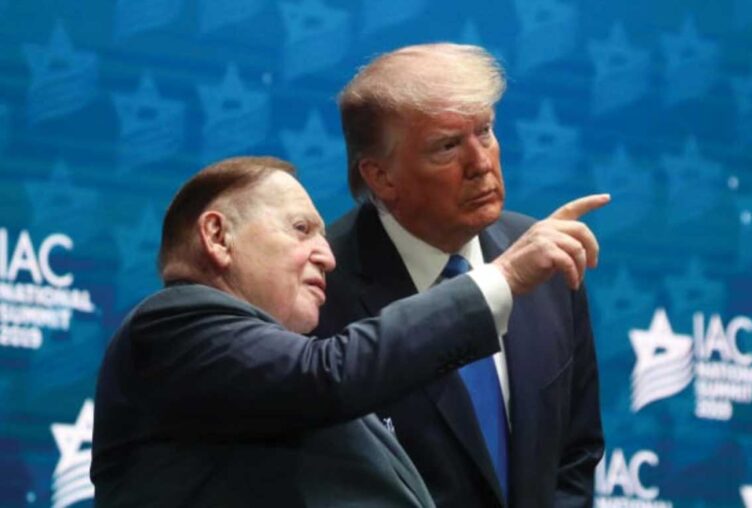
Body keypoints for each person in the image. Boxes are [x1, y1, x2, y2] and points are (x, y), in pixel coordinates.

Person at [90, 155, 607, 507]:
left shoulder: (275, 380)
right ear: (218, 236)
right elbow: (329, 374)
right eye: (301, 229)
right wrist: (501, 279)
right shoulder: (173, 325)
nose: (327, 255)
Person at [314, 43, 607, 507]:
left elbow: (574, 455)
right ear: (381, 176)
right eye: (447, 146)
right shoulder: (318, 288)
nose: (481, 163)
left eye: (485, 131)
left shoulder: (543, 259)